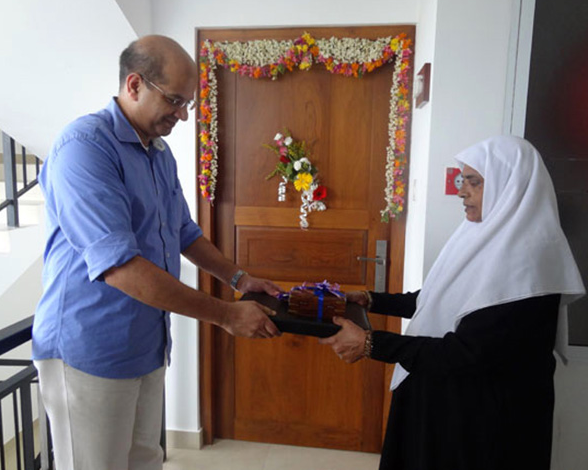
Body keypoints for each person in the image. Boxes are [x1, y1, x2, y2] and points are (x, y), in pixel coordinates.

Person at [32, 35, 281, 470]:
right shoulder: (84, 148)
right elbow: (120, 267)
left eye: (188, 103)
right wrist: (225, 315)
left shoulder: (158, 153)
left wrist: (239, 279)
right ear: (134, 85)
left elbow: (184, 232)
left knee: (145, 461)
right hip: (89, 349)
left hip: (146, 345)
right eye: (175, 101)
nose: (183, 115)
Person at [320, 135, 585, 470]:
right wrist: (371, 300)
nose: (461, 191)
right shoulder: (481, 235)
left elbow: (468, 352)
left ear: (510, 184)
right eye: (463, 180)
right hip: (449, 402)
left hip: (484, 423)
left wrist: (372, 343)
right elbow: (439, 299)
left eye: (473, 182)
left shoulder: (528, 259)